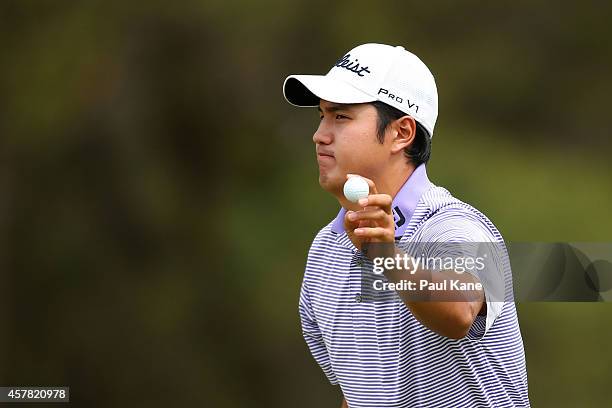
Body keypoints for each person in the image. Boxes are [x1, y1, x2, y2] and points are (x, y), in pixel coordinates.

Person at [282, 43, 530, 407]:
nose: (320, 134)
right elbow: (359, 395)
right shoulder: (325, 252)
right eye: (321, 116)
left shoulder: (456, 226)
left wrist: (386, 256)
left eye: (341, 117)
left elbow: (460, 309)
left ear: (402, 133)